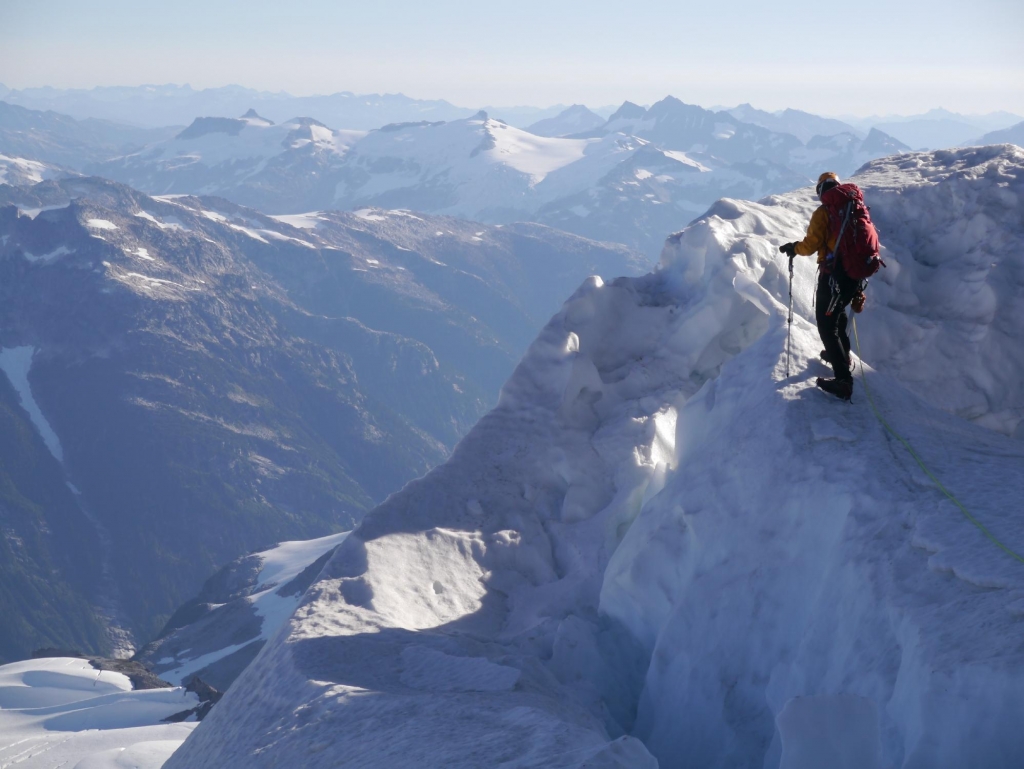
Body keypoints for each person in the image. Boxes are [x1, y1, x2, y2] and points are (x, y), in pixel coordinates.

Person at [779, 172, 866, 401]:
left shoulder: (825, 212)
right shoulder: (854, 208)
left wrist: (793, 248)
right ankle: (842, 357)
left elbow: (811, 245)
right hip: (854, 275)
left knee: (826, 324)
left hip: (833, 276)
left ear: (820, 191)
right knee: (838, 316)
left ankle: (843, 380)